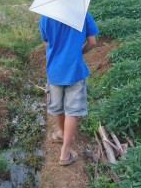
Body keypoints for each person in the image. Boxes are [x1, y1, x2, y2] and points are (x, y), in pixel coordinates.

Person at [39, 11, 99, 166]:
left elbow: (46, 40)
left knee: (57, 107)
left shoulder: (46, 15)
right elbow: (92, 42)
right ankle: (65, 153)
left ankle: (61, 132)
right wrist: (78, 52)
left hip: (55, 70)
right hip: (75, 70)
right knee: (72, 111)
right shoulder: (82, 14)